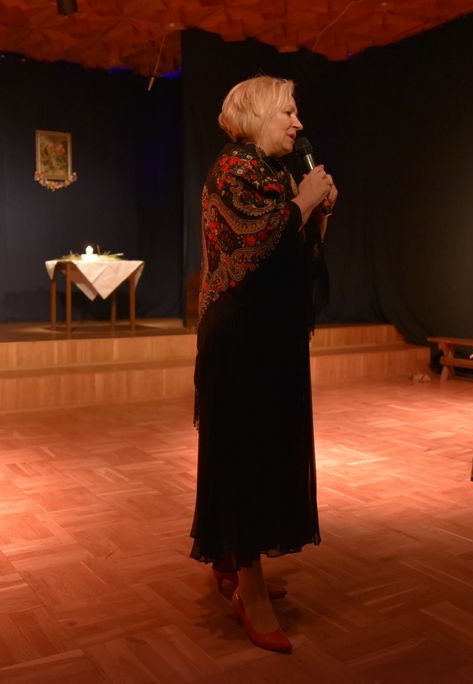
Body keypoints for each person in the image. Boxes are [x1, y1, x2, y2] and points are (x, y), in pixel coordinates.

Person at [190, 75, 337, 653]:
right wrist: (303, 203)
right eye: (288, 112)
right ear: (257, 116)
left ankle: (234, 563)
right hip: (240, 342)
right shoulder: (235, 168)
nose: (299, 123)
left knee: (264, 452)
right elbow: (258, 242)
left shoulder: (275, 173)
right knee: (246, 457)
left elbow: (292, 257)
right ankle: (248, 591)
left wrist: (317, 212)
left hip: (269, 336)